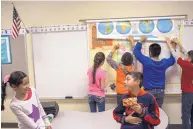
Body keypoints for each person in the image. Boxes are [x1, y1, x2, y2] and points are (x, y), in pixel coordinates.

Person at [133, 36, 175, 108]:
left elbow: (136, 52)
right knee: (158, 112)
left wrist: (140, 40)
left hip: (149, 91)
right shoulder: (164, 63)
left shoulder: (147, 61)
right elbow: (173, 59)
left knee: (147, 112)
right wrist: (171, 46)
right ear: (159, 52)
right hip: (160, 91)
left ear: (150, 52)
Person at [166, 37, 193, 129]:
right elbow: (187, 53)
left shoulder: (187, 65)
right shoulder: (189, 63)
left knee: (186, 114)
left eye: (187, 57)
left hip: (188, 93)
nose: (185, 57)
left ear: (189, 58)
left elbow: (176, 56)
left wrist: (169, 44)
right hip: (190, 92)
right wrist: (179, 43)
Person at [107, 36, 136, 105]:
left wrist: (114, 48)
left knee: (120, 112)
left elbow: (108, 59)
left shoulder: (118, 66)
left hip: (120, 93)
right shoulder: (133, 66)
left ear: (122, 60)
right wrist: (132, 42)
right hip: (131, 93)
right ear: (131, 60)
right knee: (130, 112)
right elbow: (135, 54)